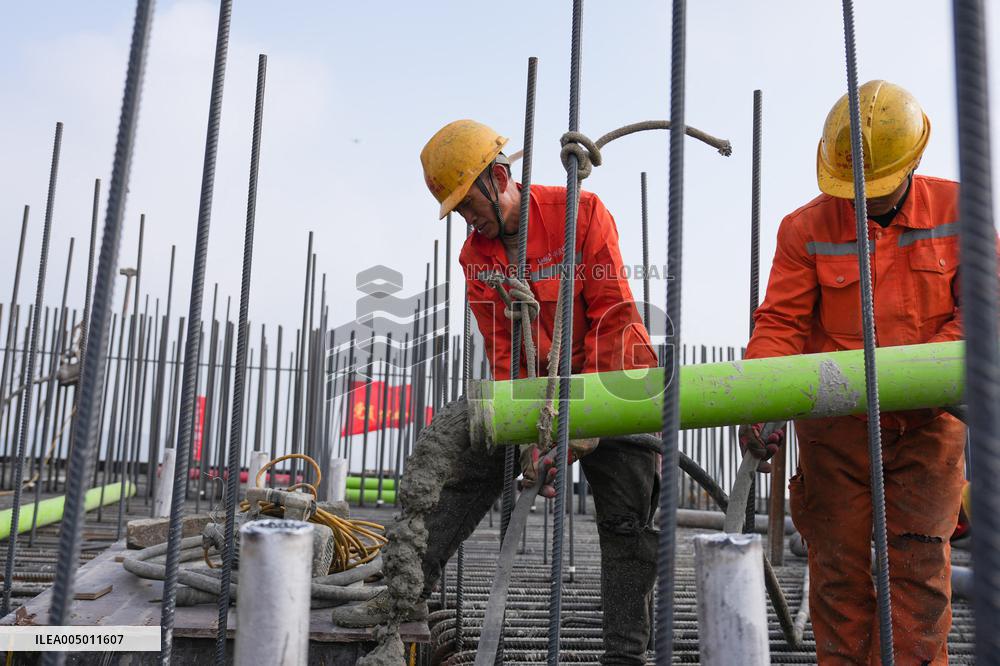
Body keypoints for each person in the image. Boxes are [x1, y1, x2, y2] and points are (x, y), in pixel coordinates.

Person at [333, 119, 660, 664]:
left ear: (500, 176)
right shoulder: (476, 257)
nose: (468, 218)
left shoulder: (582, 212)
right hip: (538, 391)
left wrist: (587, 426)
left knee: (628, 520)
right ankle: (402, 595)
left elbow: (616, 320)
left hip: (612, 382)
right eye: (457, 210)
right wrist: (532, 438)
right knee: (467, 470)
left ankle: (625, 655)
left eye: (468, 203)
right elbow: (506, 352)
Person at [740, 80, 968, 665]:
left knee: (918, 578)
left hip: (927, 428)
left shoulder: (961, 214)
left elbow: (981, 318)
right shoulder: (805, 228)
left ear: (913, 161)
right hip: (836, 430)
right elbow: (780, 324)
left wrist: (923, 378)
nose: (860, 201)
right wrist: (758, 398)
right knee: (837, 571)